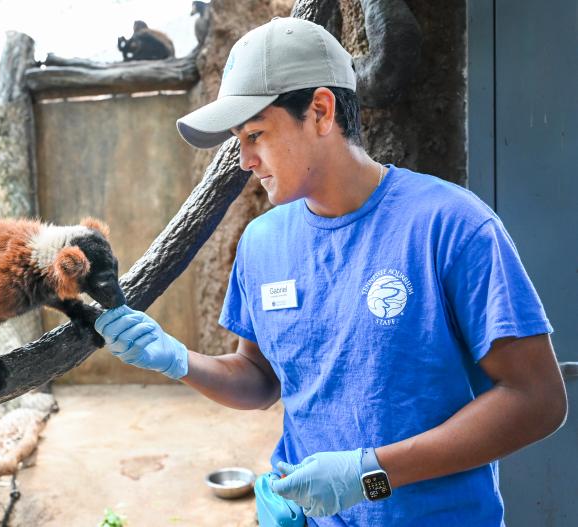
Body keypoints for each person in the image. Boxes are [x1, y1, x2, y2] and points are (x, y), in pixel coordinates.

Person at [94, 17, 567, 526]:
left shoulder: (451, 225)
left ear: (321, 111)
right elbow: (259, 378)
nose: (245, 160)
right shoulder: (262, 243)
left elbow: (537, 399)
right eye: (238, 140)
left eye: (256, 134)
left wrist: (371, 473)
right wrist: (177, 360)